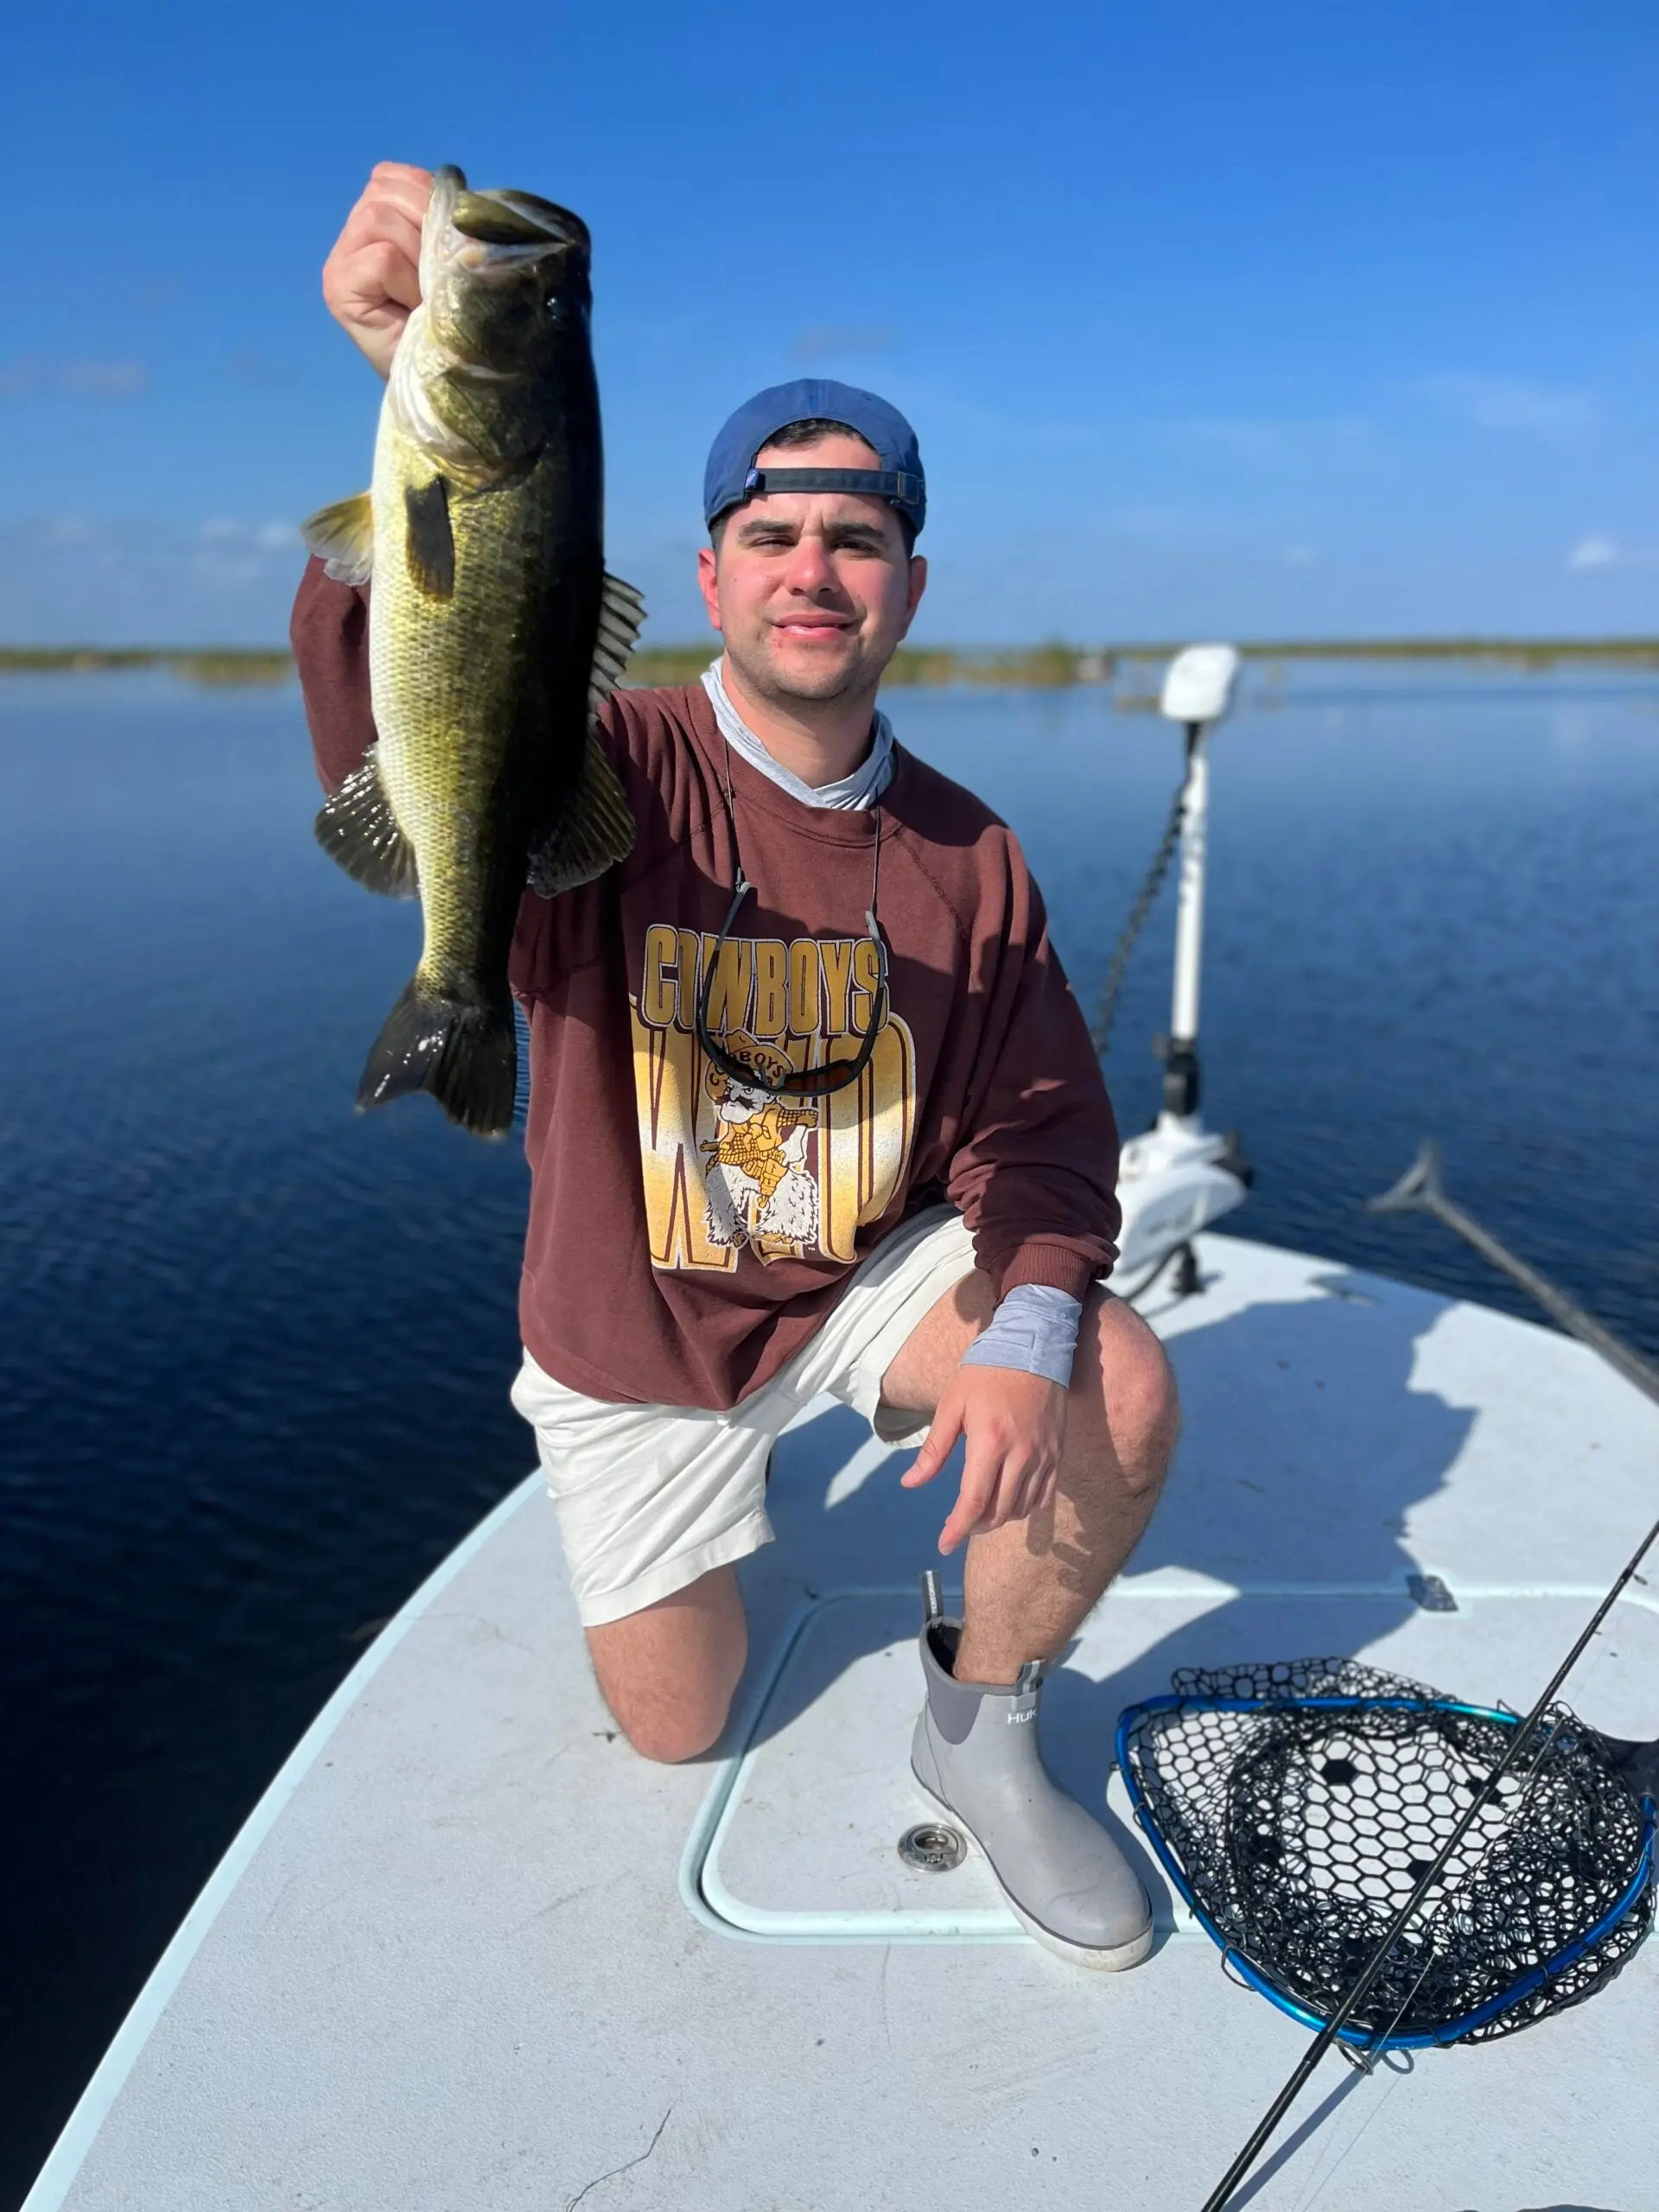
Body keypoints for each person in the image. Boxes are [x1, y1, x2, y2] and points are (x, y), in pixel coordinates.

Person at [294, 162, 1181, 1971]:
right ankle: (717, 1513)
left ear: (910, 584)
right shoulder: (605, 764)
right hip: (635, 1336)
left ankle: (983, 1716)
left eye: (856, 539)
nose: (812, 571)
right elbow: (393, 681)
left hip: (858, 1283)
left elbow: (1043, 1126)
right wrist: (395, 368)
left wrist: (1018, 1337)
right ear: (706, 571)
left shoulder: (971, 850)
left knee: (1117, 1377)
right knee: (682, 1726)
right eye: (773, 537)